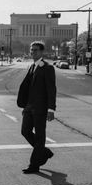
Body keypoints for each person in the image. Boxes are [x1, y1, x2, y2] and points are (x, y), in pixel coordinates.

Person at [17, 41, 57, 174]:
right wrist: (25, 106)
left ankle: (34, 165)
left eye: (35, 50)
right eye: (31, 50)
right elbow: (28, 88)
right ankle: (44, 152)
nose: (32, 52)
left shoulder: (47, 67)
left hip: (41, 108)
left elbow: (51, 89)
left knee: (40, 137)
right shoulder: (32, 66)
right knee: (25, 131)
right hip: (29, 107)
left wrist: (51, 109)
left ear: (41, 52)